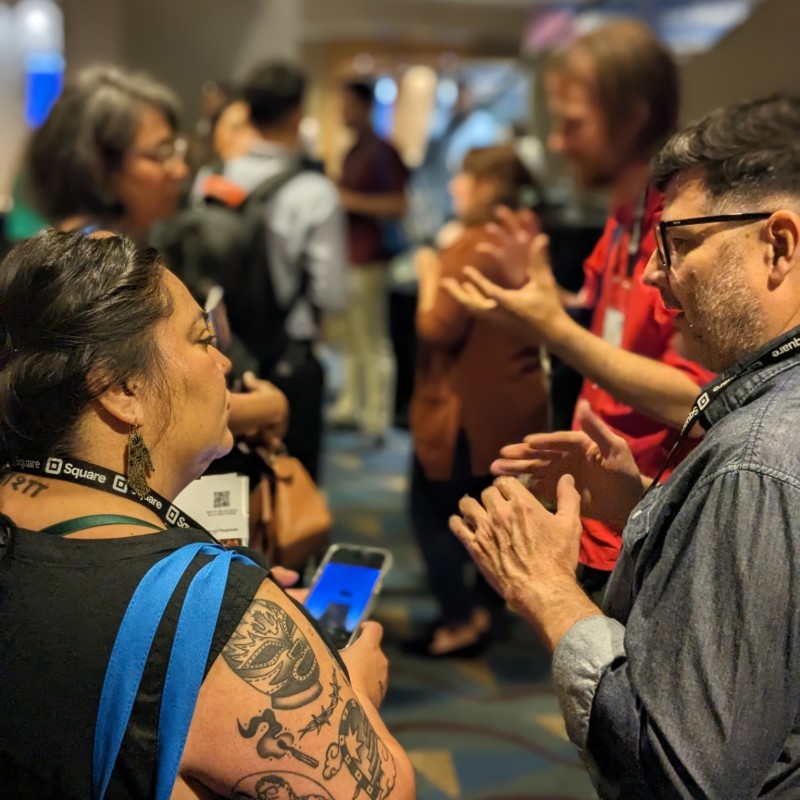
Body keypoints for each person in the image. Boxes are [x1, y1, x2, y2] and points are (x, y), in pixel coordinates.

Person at [451, 94, 800, 798]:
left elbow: (681, 773)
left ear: (779, 245)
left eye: (679, 243)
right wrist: (644, 508)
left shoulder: (756, 459)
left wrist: (549, 593)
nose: (652, 274)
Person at [0, 230, 416, 799]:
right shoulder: (205, 601)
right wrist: (351, 692)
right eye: (202, 338)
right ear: (123, 387)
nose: (223, 360)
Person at [443, 20, 713, 599]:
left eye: (574, 124)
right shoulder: (625, 213)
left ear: (631, 118)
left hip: (652, 515)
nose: (559, 143)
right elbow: (596, 313)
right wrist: (533, 299)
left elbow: (698, 398)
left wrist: (554, 328)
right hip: (602, 514)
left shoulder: (686, 227)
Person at [25, 64, 289, 477]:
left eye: (176, 150)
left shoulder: (122, 248)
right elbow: (139, 404)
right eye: (159, 154)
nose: (179, 170)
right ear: (98, 166)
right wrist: (269, 406)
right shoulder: (92, 268)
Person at [408, 144, 548, 657]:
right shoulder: (524, 235)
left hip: (463, 412)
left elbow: (435, 326)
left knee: (437, 513)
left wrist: (427, 270)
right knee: (493, 507)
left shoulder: (472, 244)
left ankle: (459, 619)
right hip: (513, 402)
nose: (454, 187)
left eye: (462, 177)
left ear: (486, 186)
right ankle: (487, 609)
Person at [218, 61, 348, 481]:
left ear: (248, 113)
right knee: (291, 479)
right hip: (288, 358)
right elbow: (331, 294)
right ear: (297, 115)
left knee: (225, 473)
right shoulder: (313, 192)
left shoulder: (213, 180)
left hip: (219, 355)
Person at [328, 80, 410, 445]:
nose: (342, 112)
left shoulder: (382, 152)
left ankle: (377, 417)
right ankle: (355, 406)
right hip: (350, 255)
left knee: (373, 338)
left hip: (371, 256)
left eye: (347, 104)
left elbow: (398, 205)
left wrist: (348, 199)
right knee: (352, 338)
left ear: (363, 106)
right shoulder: (354, 150)